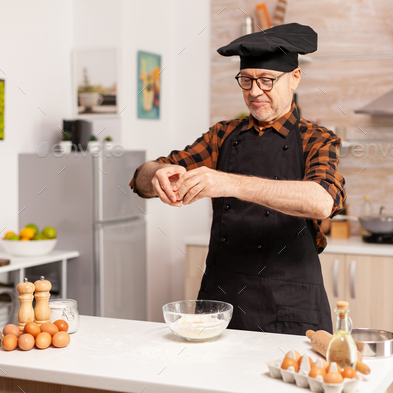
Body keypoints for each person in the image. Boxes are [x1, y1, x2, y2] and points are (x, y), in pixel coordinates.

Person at [130, 23, 346, 335]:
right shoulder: (223, 136)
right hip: (222, 302)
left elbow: (321, 201)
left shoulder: (317, 138)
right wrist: (156, 175)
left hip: (292, 307)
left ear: (294, 79)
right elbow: (141, 178)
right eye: (246, 80)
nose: (255, 91)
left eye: (267, 81)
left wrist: (228, 183)